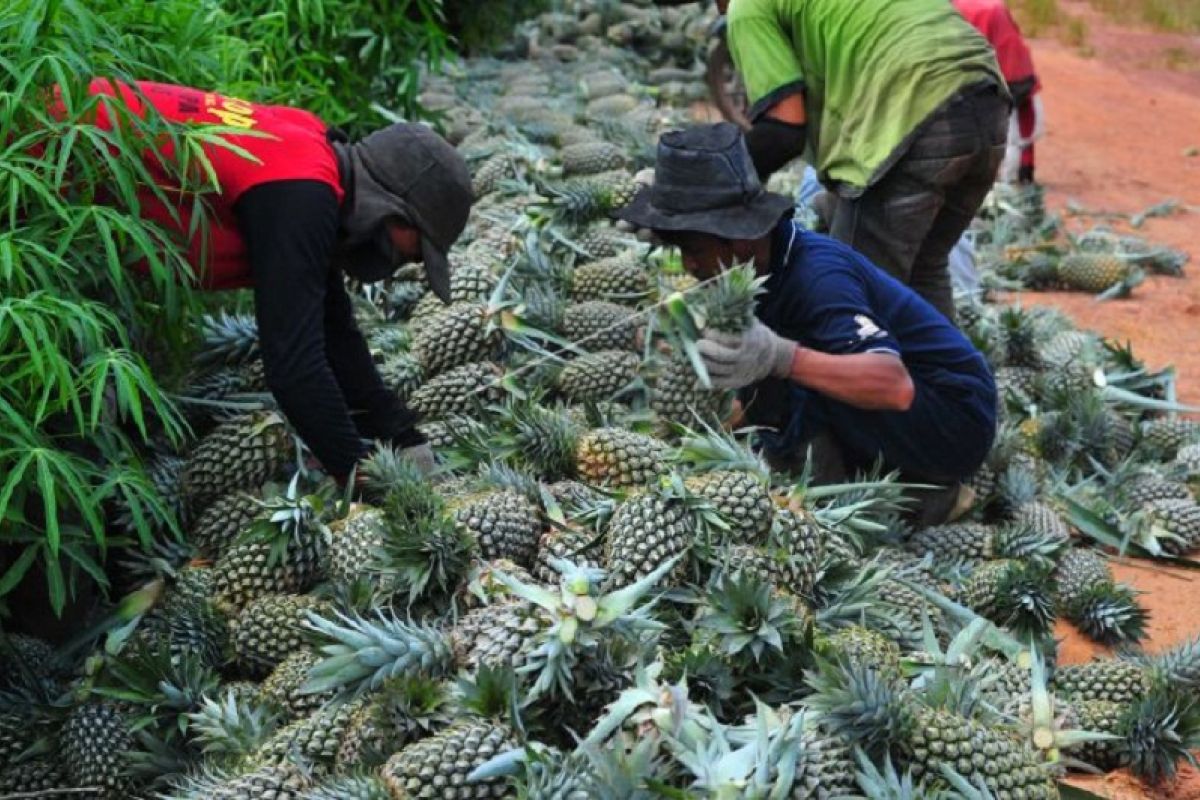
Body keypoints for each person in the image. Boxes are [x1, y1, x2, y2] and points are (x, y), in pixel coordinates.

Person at [73, 79, 472, 482]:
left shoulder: (312, 154)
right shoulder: (300, 195)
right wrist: (364, 477)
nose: (413, 259)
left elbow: (332, 325)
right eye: (419, 245)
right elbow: (294, 368)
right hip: (43, 156)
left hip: (65, 131)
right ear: (395, 205)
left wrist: (400, 433)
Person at [617, 125, 997, 524]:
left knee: (786, 378)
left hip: (952, 418)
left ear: (739, 239)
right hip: (911, 404)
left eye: (693, 250)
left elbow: (895, 386)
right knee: (772, 381)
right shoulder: (761, 261)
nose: (688, 266)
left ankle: (929, 495)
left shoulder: (818, 280)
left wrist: (781, 357)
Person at [718, 0, 1011, 322]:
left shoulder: (746, 7)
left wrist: (712, 186)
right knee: (925, 268)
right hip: (987, 100)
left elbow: (782, 131)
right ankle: (948, 373)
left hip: (916, 108)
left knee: (850, 297)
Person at [952, 0, 1045, 184]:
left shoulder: (961, 9)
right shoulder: (990, 5)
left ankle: (1007, 184)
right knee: (1016, 132)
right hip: (1014, 71)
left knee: (1005, 136)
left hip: (1001, 76)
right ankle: (1019, 176)